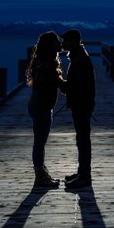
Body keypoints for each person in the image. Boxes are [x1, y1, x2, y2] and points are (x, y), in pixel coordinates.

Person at [26, 31, 64, 188]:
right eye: (56, 42)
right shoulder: (45, 64)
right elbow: (48, 83)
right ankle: (40, 177)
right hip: (40, 107)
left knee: (40, 143)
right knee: (39, 143)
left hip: (41, 106)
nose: (59, 44)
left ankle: (41, 173)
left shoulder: (45, 61)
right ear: (50, 45)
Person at [59, 29, 96, 189]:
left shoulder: (80, 59)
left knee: (83, 141)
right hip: (83, 104)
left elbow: (78, 87)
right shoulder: (79, 56)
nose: (62, 44)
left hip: (81, 105)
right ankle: (82, 173)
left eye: (65, 41)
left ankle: (84, 177)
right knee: (81, 140)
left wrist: (59, 82)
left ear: (73, 41)